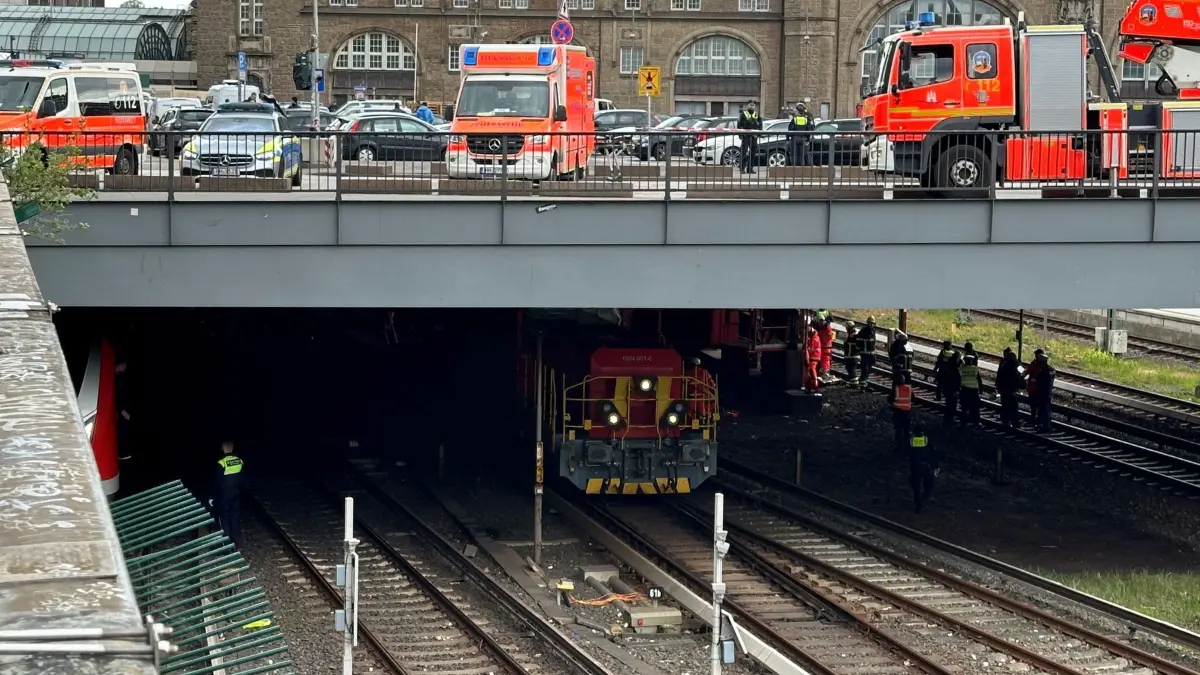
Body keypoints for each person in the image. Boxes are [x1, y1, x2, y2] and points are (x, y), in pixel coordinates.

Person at [210, 441, 245, 548]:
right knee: (234, 518)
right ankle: (237, 543)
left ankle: (226, 544)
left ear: (223, 448)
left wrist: (212, 497)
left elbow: (217, 482)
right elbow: (242, 478)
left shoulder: (222, 463)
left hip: (223, 496)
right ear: (232, 448)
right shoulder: (239, 461)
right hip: (236, 494)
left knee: (224, 518)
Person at [907, 424, 938, 513]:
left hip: (915, 466)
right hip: (926, 466)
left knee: (916, 486)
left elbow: (908, 452)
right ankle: (923, 499)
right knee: (929, 484)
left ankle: (918, 501)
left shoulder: (912, 441)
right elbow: (933, 452)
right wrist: (936, 465)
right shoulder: (926, 440)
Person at [995, 347, 1024, 428]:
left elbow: (1000, 376)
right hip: (1013, 390)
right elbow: (1023, 374)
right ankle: (1015, 422)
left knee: (1005, 406)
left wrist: (998, 386)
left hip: (1004, 390)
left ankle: (1005, 421)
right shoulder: (1017, 366)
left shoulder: (1004, 366)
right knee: (1014, 407)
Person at [1027, 350, 1055, 431]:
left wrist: (1033, 380)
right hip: (1047, 392)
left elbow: (1038, 380)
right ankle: (1045, 425)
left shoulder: (1043, 371)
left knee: (1042, 410)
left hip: (1041, 393)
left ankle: (1043, 426)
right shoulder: (1050, 369)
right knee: (1045, 410)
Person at [888, 370, 913, 451]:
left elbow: (890, 399)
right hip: (907, 412)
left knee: (898, 430)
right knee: (906, 430)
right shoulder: (909, 388)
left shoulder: (896, 389)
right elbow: (913, 398)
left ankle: (899, 446)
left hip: (898, 412)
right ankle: (907, 446)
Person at [736, 100, 762, 174]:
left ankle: (750, 168)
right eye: (750, 105)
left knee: (753, 153)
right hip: (745, 136)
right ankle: (742, 168)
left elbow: (760, 125)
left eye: (753, 105)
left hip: (754, 136)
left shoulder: (756, 114)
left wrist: (758, 134)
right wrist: (741, 135)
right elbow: (739, 124)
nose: (752, 106)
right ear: (748, 106)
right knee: (743, 152)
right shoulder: (743, 114)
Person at [939, 351, 962, 427]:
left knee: (948, 404)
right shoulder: (956, 368)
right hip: (953, 389)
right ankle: (950, 420)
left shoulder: (948, 365)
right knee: (952, 405)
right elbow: (958, 379)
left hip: (947, 388)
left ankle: (946, 420)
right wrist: (958, 389)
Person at [958, 353, 983, 425]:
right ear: (971, 361)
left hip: (965, 389)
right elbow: (979, 379)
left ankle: (963, 423)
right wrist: (981, 389)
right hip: (974, 390)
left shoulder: (962, 369)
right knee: (975, 407)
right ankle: (976, 422)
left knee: (964, 407)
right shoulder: (975, 368)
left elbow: (959, 379)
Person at [857, 317, 877, 386]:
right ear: (867, 323)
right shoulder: (863, 331)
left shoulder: (873, 331)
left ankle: (864, 382)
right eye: (870, 323)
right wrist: (859, 349)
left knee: (869, 369)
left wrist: (874, 354)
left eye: (872, 323)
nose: (871, 325)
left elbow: (873, 343)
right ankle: (862, 383)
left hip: (871, 354)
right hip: (864, 354)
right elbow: (858, 342)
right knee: (865, 369)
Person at [804, 323, 822, 392]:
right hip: (814, 356)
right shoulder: (812, 336)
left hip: (814, 356)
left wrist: (806, 348)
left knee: (812, 369)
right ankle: (810, 386)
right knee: (810, 371)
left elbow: (811, 348)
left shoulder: (815, 338)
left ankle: (815, 385)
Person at [817, 318, 835, 383]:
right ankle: (825, 372)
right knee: (826, 361)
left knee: (824, 361)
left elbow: (822, 337)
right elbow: (832, 338)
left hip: (824, 348)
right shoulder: (830, 330)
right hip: (828, 348)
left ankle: (825, 374)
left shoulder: (824, 331)